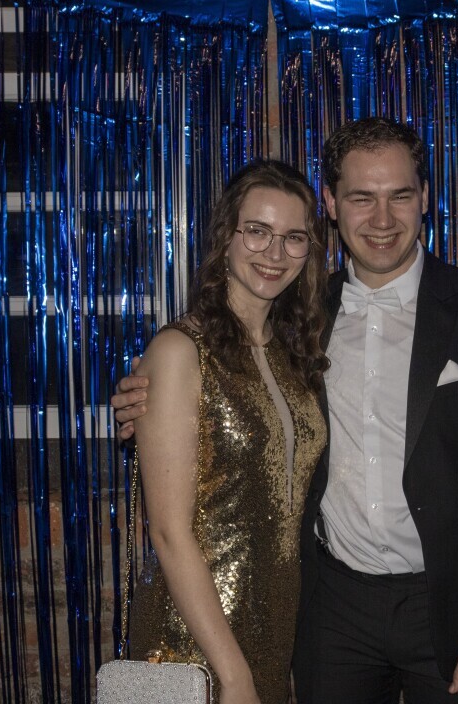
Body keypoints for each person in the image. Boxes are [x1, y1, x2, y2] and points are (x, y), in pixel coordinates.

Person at [113, 118, 458, 704]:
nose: (382, 219)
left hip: (453, 607)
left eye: (400, 195)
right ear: (330, 204)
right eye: (361, 197)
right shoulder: (302, 316)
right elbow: (215, 389)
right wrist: (146, 399)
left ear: (426, 197)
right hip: (331, 613)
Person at [124, 159, 330, 704]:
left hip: (273, 629)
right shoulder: (180, 350)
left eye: (293, 238)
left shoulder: (294, 354)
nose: (274, 253)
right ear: (226, 237)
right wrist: (233, 676)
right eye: (257, 231)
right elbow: (168, 532)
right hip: (191, 639)